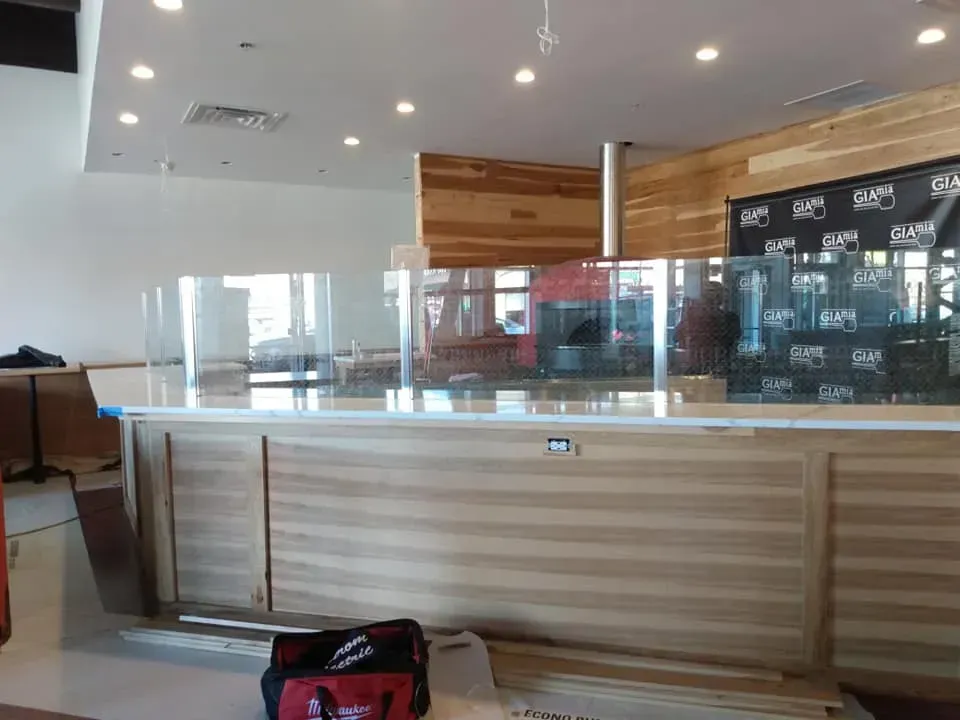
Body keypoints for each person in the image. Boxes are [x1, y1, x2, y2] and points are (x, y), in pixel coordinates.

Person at [675, 282, 741, 376]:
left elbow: (678, 338)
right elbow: (678, 338)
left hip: (714, 368)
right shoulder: (693, 318)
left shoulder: (729, 318)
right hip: (703, 368)